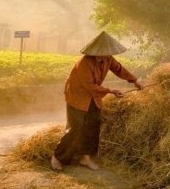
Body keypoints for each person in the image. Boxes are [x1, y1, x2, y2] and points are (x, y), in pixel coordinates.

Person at [50, 31, 143, 171]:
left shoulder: (108, 59)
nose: (107, 54)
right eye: (105, 52)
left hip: (94, 97)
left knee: (92, 127)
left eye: (108, 52)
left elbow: (119, 69)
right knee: (75, 129)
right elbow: (89, 86)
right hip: (78, 97)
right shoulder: (84, 63)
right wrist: (110, 91)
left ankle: (85, 158)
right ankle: (58, 157)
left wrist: (134, 80)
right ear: (96, 51)